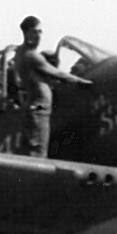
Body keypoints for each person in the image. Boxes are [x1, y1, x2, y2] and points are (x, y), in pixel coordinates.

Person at [13, 15, 92, 157]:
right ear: (26, 33)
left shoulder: (20, 52)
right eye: (34, 32)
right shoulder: (31, 55)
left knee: (36, 151)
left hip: (35, 107)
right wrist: (79, 81)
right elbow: (57, 73)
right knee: (38, 154)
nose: (38, 36)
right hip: (39, 110)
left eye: (40, 32)